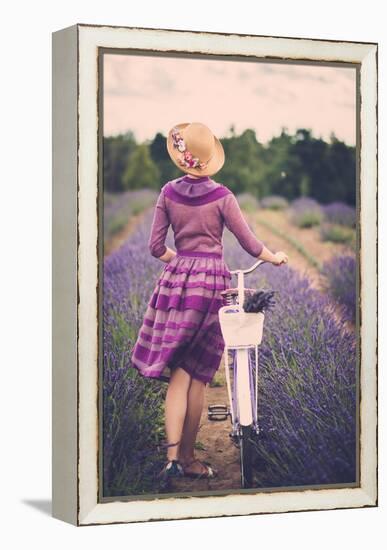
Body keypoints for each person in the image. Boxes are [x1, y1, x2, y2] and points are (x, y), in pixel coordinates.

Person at [130, 122, 289, 481]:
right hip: (211, 285)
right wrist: (275, 257)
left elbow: (156, 248)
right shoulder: (222, 196)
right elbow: (249, 244)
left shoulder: (168, 193)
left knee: (177, 376)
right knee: (198, 374)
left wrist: (183, 262)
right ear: (209, 159)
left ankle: (171, 459)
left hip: (175, 285)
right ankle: (188, 458)